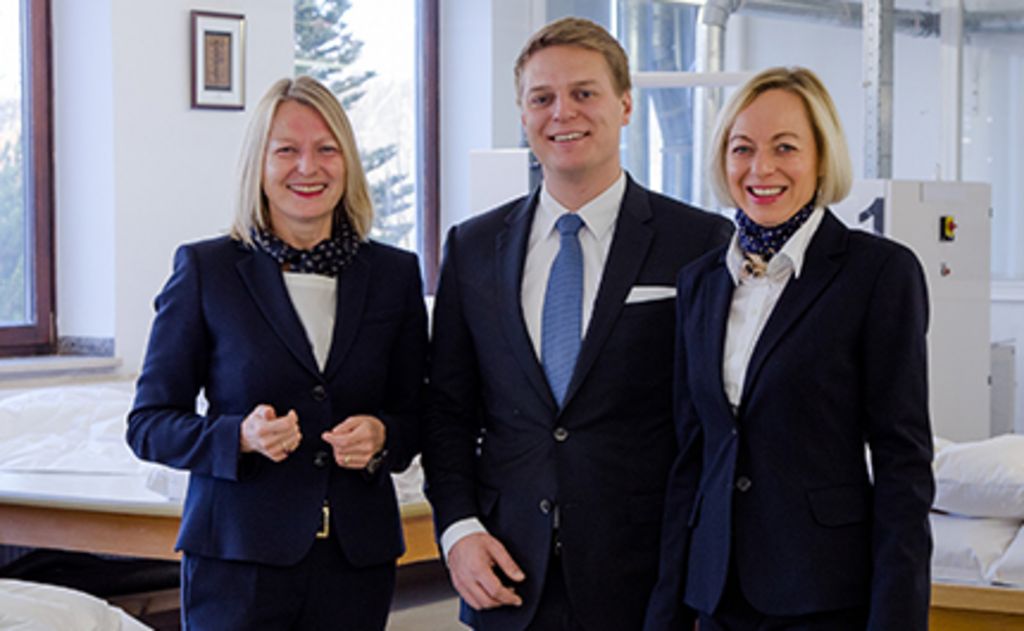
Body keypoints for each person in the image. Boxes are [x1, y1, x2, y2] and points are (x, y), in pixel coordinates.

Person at [423, 16, 733, 631]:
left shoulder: (698, 242)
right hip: (509, 576)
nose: (562, 112)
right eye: (542, 98)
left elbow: (712, 424)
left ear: (624, 106)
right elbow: (447, 413)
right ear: (522, 114)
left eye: (584, 93)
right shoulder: (473, 246)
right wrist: (458, 531)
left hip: (649, 583)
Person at [126, 76, 427, 630]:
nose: (307, 168)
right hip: (236, 563)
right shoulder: (206, 271)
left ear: (348, 162)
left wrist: (384, 435)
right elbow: (148, 425)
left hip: (356, 561)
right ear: (258, 165)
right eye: (286, 150)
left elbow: (419, 416)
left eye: (326, 149)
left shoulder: (394, 275)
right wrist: (237, 437)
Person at [644, 66, 934, 630]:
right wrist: (668, 612)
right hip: (716, 593)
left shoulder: (877, 273)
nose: (761, 168)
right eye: (742, 148)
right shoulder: (701, 282)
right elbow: (691, 457)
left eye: (785, 148)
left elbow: (904, 466)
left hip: (823, 594)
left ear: (822, 158)